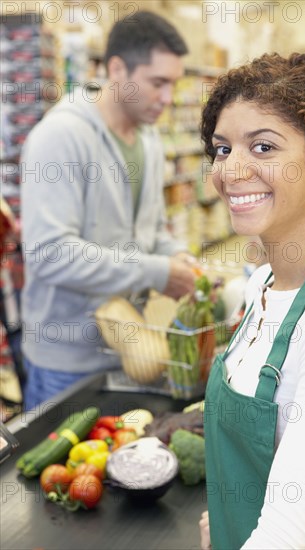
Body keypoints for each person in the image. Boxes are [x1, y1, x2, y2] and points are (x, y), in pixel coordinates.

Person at [199, 53, 305, 549]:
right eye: (223, 149)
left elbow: (286, 534)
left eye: (264, 147)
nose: (232, 170)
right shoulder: (263, 286)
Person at [20, 11, 197, 411]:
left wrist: (175, 256)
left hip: (128, 350)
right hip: (67, 363)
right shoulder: (61, 137)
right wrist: (157, 272)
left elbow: (148, 233)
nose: (168, 98)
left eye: (174, 84)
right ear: (117, 68)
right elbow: (51, 253)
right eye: (158, 83)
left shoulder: (148, 138)